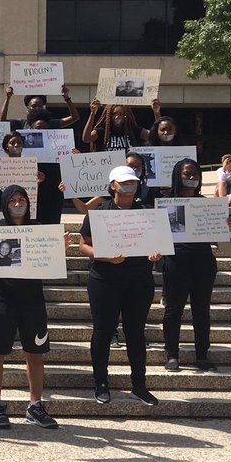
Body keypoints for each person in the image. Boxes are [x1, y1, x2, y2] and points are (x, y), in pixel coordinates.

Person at [0, 185, 69, 429]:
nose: (18, 204)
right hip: (3, 300)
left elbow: (51, 263)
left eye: (21, 199)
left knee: (35, 355)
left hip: (33, 301)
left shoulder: (38, 229)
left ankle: (35, 406)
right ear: (5, 204)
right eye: (12, 200)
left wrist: (62, 249)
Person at [77, 165, 164, 406]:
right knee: (103, 332)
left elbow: (156, 245)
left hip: (139, 280)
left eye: (134, 182)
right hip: (104, 279)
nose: (130, 186)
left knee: (136, 333)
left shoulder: (146, 213)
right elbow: (83, 244)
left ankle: (139, 385)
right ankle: (101, 383)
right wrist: (103, 255)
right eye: (125, 182)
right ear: (113, 185)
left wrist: (156, 254)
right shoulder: (99, 211)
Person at [160, 159, 219, 373]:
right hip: (176, 261)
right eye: (187, 174)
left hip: (203, 260)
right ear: (178, 175)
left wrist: (223, 225)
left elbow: (217, 238)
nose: (192, 177)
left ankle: (202, 354)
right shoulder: (166, 203)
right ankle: (172, 354)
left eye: (195, 173)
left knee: (201, 311)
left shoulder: (207, 204)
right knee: (173, 310)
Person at [82, 99, 160, 153]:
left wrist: (156, 113)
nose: (117, 117)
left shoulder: (133, 130)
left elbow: (155, 136)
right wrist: (92, 114)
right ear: (109, 116)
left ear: (125, 116)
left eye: (120, 114)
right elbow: (86, 138)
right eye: (114, 114)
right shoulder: (102, 131)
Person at [0, 85, 79, 130]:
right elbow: (2, 121)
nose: (37, 108)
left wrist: (66, 98)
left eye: (40, 106)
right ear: (27, 107)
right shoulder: (22, 124)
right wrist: (8, 98)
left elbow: (74, 117)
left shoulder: (51, 123)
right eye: (33, 106)